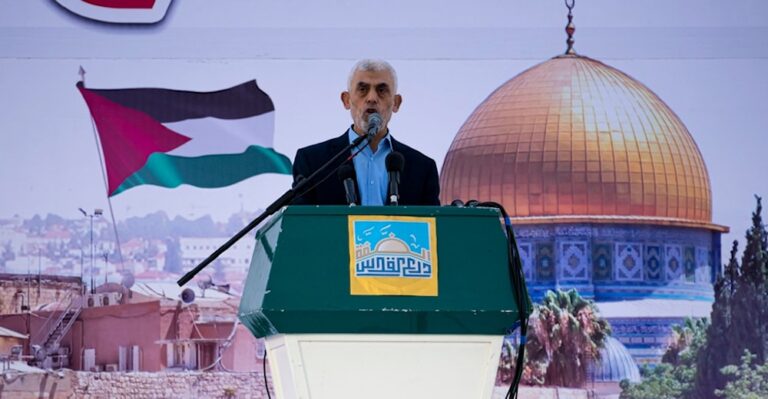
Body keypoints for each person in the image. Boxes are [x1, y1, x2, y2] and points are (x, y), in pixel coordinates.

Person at [292, 59, 440, 206]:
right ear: (346, 100)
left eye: (381, 90)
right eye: (363, 89)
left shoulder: (422, 168)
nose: (371, 98)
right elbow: (301, 224)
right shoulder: (313, 162)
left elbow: (434, 226)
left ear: (396, 103)